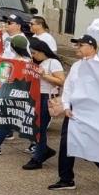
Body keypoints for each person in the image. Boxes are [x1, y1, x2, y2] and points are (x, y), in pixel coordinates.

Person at [48, 35, 99, 191]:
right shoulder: (76, 66)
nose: (77, 48)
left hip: (91, 112)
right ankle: (66, 179)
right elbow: (68, 87)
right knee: (67, 142)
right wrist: (66, 106)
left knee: (89, 145)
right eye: (77, 45)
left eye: (81, 45)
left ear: (92, 47)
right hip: (74, 110)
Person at [21, 38, 64, 170]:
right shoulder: (34, 62)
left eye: (34, 53)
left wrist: (44, 76)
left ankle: (38, 158)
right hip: (35, 95)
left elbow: (61, 81)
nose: (33, 55)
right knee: (34, 126)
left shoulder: (53, 62)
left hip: (46, 97)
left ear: (42, 51)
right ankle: (43, 150)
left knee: (40, 128)